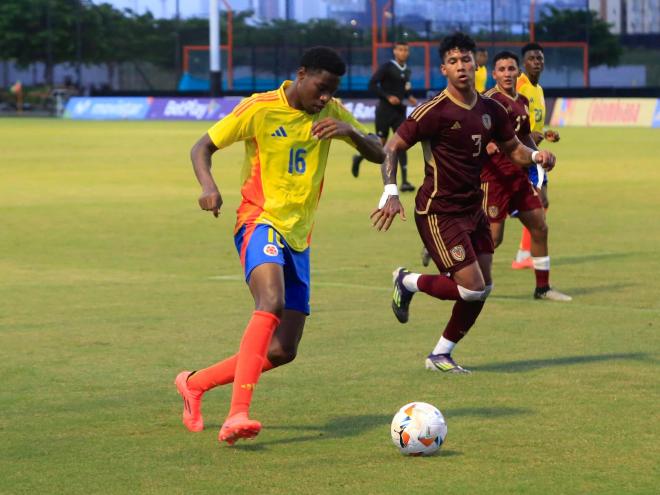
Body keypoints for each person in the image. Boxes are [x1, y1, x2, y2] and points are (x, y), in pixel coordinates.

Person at [176, 47, 384, 445]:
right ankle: (237, 414)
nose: (324, 99)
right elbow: (201, 147)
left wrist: (351, 133)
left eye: (331, 93)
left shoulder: (332, 112)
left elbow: (380, 152)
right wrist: (208, 187)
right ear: (301, 74)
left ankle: (195, 383)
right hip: (259, 221)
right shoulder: (260, 108)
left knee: (284, 349)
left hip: (298, 237)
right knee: (269, 302)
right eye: (321, 89)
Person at [370, 33, 556, 374]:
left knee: (483, 288)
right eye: (453, 62)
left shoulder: (491, 110)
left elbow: (515, 150)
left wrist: (537, 155)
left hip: (475, 208)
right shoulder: (432, 112)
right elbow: (392, 147)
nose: (461, 67)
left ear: (475, 64)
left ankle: (440, 354)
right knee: (470, 289)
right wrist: (391, 192)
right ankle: (407, 281)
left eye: (466, 60)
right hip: (439, 211)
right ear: (444, 68)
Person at [481, 51, 571, 301]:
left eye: (511, 69)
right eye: (502, 69)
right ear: (494, 74)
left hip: (519, 176)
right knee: (493, 239)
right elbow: (473, 131)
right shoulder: (487, 101)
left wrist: (537, 154)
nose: (507, 74)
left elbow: (525, 136)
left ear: (517, 72)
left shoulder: (522, 99)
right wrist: (485, 145)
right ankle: (459, 271)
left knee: (540, 226)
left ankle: (542, 288)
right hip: (496, 178)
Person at [512, 42, 561, 269]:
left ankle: (524, 253)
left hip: (534, 154)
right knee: (501, 208)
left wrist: (545, 133)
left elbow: (533, 123)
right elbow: (512, 120)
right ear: (524, 62)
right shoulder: (519, 85)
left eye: (540, 58)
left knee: (541, 202)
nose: (537, 62)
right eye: (532, 58)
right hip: (520, 154)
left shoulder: (538, 89)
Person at [351, 41, 417, 191]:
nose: (403, 53)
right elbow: (372, 84)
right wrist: (387, 97)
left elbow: (404, 88)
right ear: (395, 51)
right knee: (380, 146)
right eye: (400, 50)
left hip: (399, 111)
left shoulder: (407, 70)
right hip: (384, 111)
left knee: (402, 144)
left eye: (406, 50)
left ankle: (405, 182)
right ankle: (359, 158)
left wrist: (409, 96)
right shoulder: (387, 67)